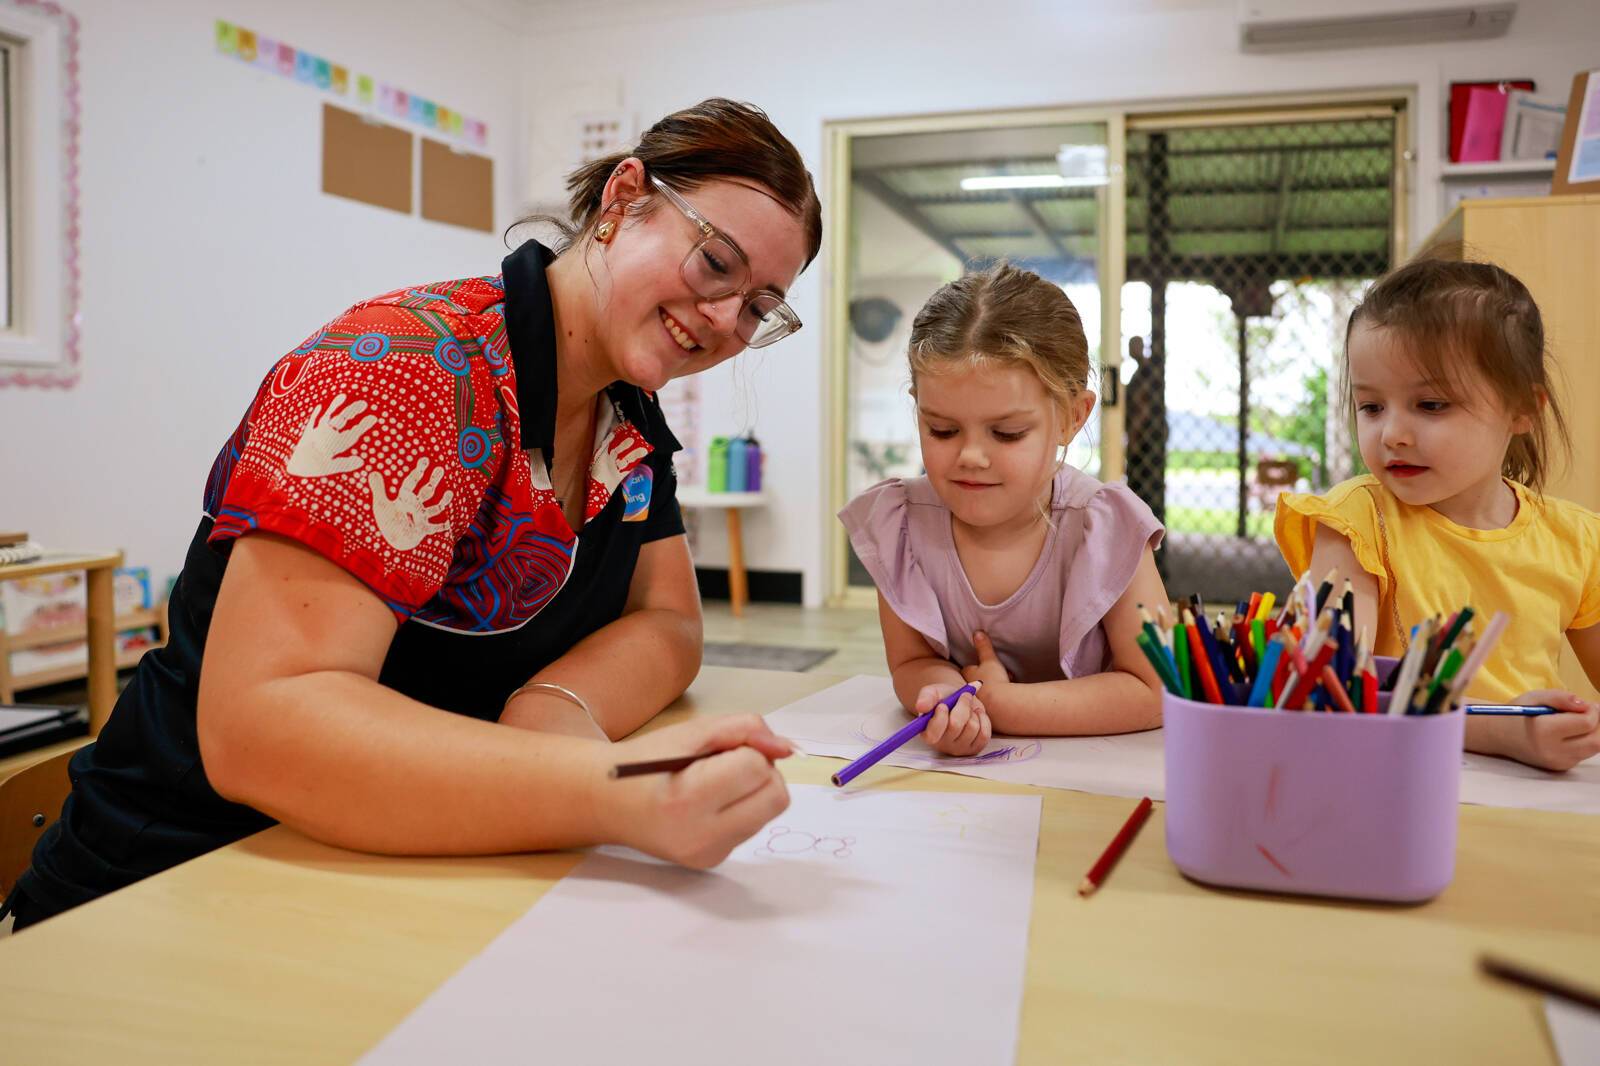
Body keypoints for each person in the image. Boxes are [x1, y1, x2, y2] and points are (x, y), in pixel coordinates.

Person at [4, 99, 822, 931]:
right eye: (716, 261)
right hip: (188, 884)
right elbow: (264, 729)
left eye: (760, 306)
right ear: (622, 199)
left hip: (422, 867)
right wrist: (612, 793)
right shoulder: (407, 372)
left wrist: (556, 708)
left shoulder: (627, 416)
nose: (725, 319)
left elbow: (669, 620)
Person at [1275, 257, 1600, 771]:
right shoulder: (1355, 520)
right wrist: (1503, 732)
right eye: (1372, 407)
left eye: (1430, 405)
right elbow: (1336, 688)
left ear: (1522, 409)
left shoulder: (1577, 540)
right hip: (1391, 781)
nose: (1392, 434)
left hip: (1536, 799)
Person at [840, 263, 1169, 756]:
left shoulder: (1105, 528)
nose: (970, 455)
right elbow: (910, 663)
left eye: (1008, 433)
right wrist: (945, 696)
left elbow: (1155, 690)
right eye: (942, 430)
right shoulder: (901, 525)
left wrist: (999, 704)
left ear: (1072, 417)